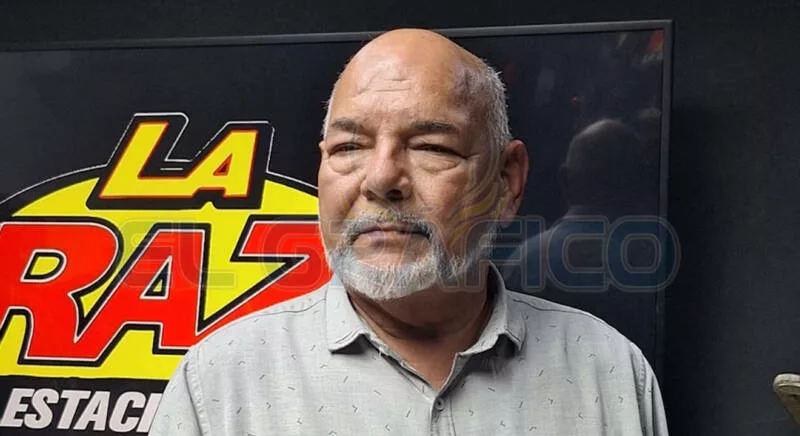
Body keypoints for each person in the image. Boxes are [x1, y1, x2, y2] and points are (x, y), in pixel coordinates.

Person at [149, 29, 668, 435]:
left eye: (432, 148)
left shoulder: (611, 375)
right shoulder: (219, 384)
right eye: (348, 147)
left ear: (507, 181)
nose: (380, 179)